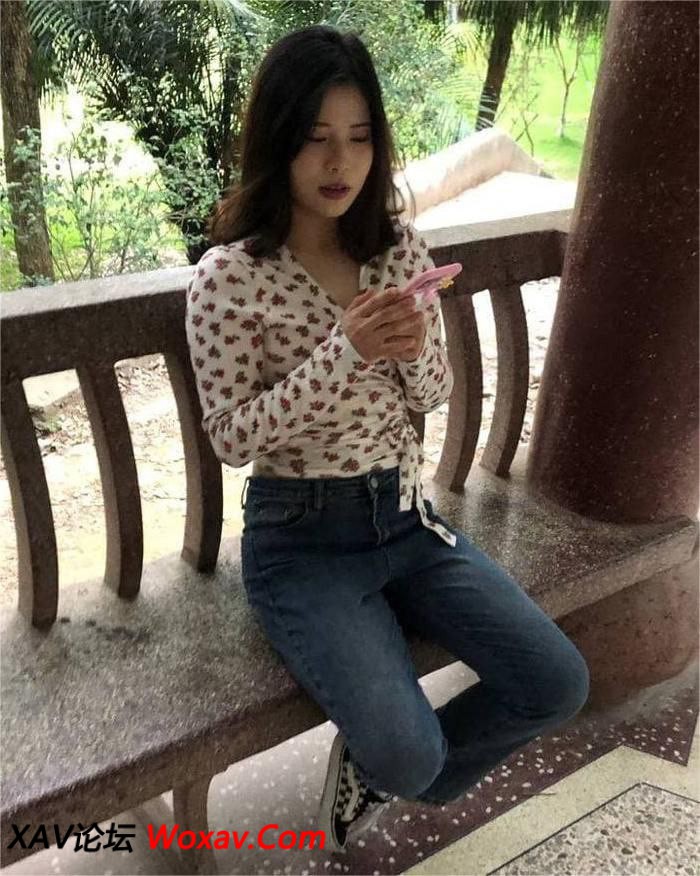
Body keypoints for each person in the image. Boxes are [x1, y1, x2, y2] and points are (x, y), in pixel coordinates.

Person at [185, 24, 590, 855]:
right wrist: (346, 351)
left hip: (406, 519)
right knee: (413, 755)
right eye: (316, 138)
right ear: (277, 141)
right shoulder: (229, 276)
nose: (341, 162)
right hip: (302, 543)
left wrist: (411, 349)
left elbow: (432, 393)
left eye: (360, 137)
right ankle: (395, 761)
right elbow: (231, 436)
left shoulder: (396, 249)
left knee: (559, 682)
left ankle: (384, 766)